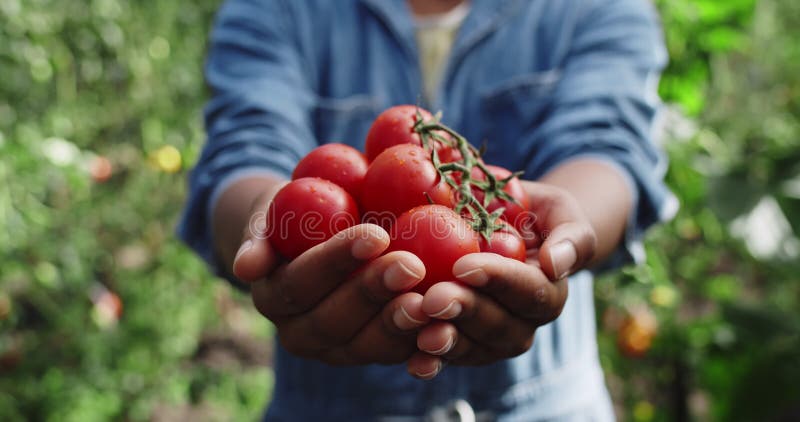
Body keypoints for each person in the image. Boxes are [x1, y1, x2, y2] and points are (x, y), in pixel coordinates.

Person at [179, 0, 676, 420]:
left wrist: (564, 229)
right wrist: (265, 225)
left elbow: (609, 145)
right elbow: (245, 149)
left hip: (547, 403)